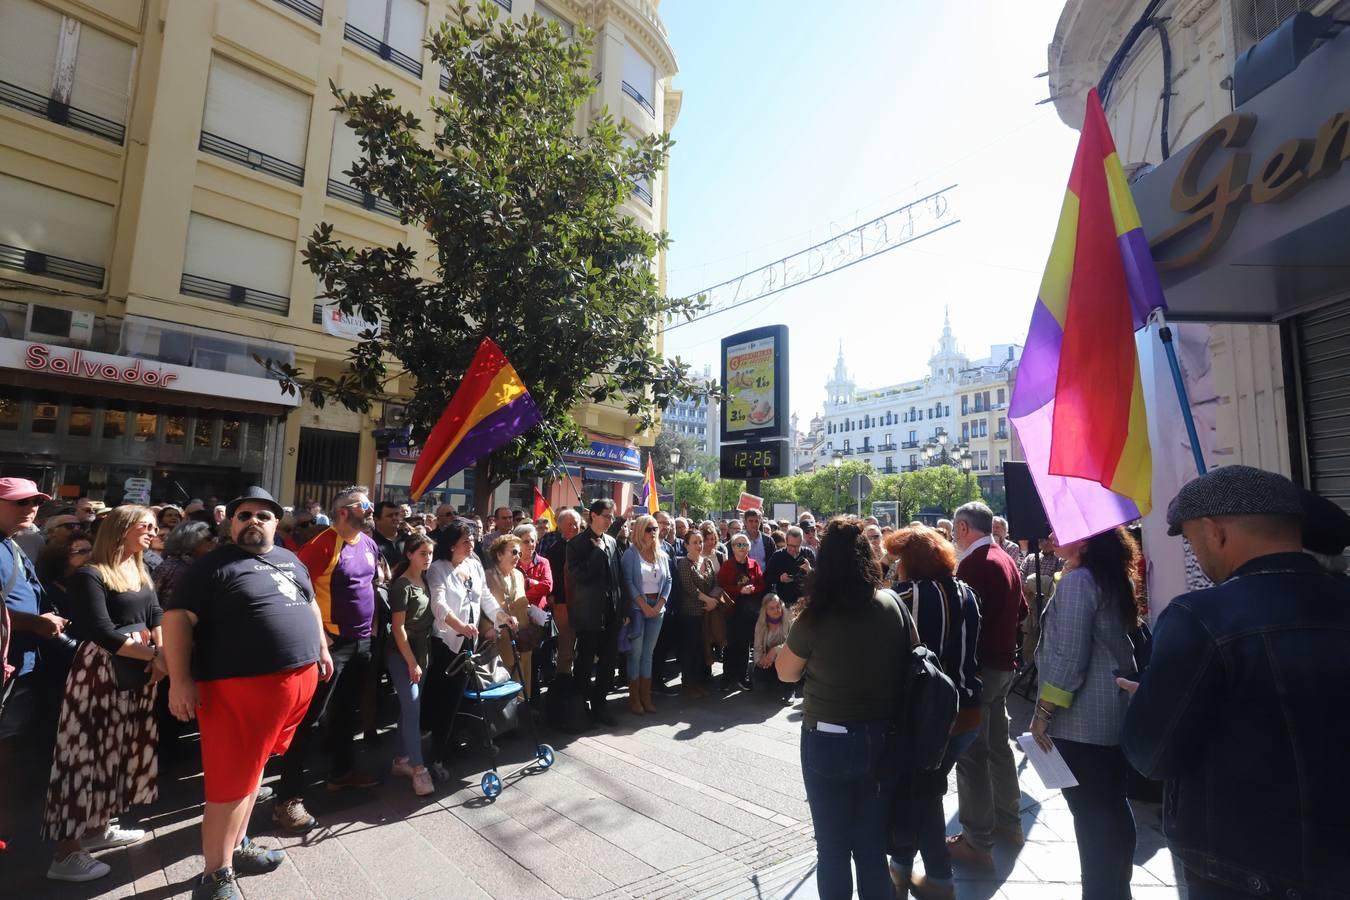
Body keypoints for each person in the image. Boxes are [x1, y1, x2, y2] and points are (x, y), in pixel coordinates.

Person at [1119, 466, 1350, 896]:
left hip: (1238, 870)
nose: (1194, 553)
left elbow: (1151, 755)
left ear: (1214, 532)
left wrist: (1147, 699)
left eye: (1189, 540)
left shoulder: (1199, 618)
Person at [163, 487, 332, 900]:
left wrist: (322, 647)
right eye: (244, 515)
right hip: (235, 687)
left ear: (277, 522)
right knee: (229, 784)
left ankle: (238, 848)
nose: (253, 520)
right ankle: (214, 875)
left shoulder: (290, 558)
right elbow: (176, 620)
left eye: (263, 515)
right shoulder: (211, 567)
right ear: (231, 523)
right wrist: (180, 680)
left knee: (254, 773)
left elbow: (309, 603)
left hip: (294, 684)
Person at [774, 517, 913, 900]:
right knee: (871, 847)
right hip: (883, 737)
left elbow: (786, 674)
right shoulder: (892, 604)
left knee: (833, 847)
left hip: (828, 738)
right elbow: (914, 656)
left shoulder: (816, 614)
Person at [44, 505, 166, 883]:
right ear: (122, 529)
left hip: (140, 669)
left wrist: (161, 656)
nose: (152, 532)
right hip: (101, 671)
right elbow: (102, 631)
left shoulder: (140, 568)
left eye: (154, 526)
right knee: (84, 755)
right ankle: (65, 854)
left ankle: (97, 830)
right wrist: (158, 658)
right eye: (145, 526)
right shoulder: (90, 575)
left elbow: (156, 614)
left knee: (120, 750)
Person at [1025, 526, 1139, 900]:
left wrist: (1043, 710)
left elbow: (1069, 657)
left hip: (1082, 721)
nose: (1050, 535)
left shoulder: (1080, 582)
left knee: (1094, 818)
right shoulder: (1110, 577)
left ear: (1087, 539)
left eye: (1061, 529)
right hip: (1110, 714)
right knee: (1110, 810)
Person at [884, 525, 983, 900]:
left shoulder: (904, 596)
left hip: (925, 720)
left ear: (910, 562)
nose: (896, 568)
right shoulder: (968, 594)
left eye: (898, 560)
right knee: (923, 791)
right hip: (967, 715)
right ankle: (903, 870)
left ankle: (938, 879)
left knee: (920, 794)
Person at [274, 486, 380, 832]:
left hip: (362, 642)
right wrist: (320, 635)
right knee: (309, 718)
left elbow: (369, 585)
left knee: (348, 711)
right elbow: (294, 590)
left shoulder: (367, 542)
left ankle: (342, 772)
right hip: (331, 646)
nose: (371, 508)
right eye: (366, 504)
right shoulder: (320, 545)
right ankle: (287, 797)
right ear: (345, 511)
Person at [948, 501, 1026, 870]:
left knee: (972, 755)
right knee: (998, 747)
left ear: (964, 527)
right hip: (1003, 665)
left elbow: (965, 624)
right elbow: (1023, 611)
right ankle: (1009, 825)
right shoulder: (1004, 557)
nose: (951, 535)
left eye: (953, 528)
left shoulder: (976, 564)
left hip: (982, 670)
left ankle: (977, 841)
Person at [426, 519, 511, 770]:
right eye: (465, 541)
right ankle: (437, 755)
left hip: (470, 642)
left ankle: (456, 742)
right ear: (452, 545)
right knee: (445, 701)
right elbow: (438, 604)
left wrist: (501, 616)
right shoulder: (438, 569)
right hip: (447, 643)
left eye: (472, 540)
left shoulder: (474, 564)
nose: (471, 544)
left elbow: (485, 597)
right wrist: (458, 626)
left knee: (463, 699)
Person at [385, 533, 436, 797]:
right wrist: (411, 662)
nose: (428, 558)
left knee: (408, 709)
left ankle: (401, 760)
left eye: (430, 553)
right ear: (409, 554)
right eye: (423, 554)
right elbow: (398, 628)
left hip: (422, 653)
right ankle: (418, 769)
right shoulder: (402, 585)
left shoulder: (425, 579)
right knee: (413, 710)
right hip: (404, 655)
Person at [566, 499, 624, 726]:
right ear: (593, 516)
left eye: (612, 516)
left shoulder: (611, 541)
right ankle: (580, 707)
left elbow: (618, 578)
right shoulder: (576, 544)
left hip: (611, 612)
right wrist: (596, 553)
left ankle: (600, 705)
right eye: (607, 516)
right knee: (585, 661)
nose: (610, 521)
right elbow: (580, 576)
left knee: (608, 662)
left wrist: (623, 608)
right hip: (589, 614)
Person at [619, 515, 670, 715]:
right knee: (636, 654)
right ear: (640, 530)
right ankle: (634, 699)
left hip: (658, 609)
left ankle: (646, 697)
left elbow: (668, 581)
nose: (653, 532)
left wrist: (660, 604)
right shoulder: (631, 554)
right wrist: (643, 605)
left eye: (655, 528)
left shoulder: (662, 553)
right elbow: (628, 582)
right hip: (637, 609)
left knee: (648, 654)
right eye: (649, 529)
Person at [675, 527, 721, 698]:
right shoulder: (684, 564)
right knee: (690, 649)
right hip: (690, 613)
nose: (699, 545)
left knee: (702, 648)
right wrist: (707, 600)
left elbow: (716, 583)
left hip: (707, 613)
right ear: (686, 545)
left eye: (700, 542)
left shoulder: (707, 561)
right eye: (694, 542)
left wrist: (714, 600)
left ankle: (699, 681)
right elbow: (689, 588)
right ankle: (688, 684)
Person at [717, 533, 766, 692]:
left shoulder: (754, 563)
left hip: (748, 611)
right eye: (738, 545)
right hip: (732, 610)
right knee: (730, 645)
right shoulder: (727, 565)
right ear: (732, 547)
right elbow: (722, 586)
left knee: (744, 645)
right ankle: (727, 676)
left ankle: (742, 676)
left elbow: (761, 583)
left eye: (745, 545)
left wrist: (752, 589)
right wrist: (739, 590)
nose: (742, 548)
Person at [485, 534, 531, 697]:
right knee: (501, 683)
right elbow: (482, 607)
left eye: (519, 553)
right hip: (498, 639)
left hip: (521, 639)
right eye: (513, 552)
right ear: (499, 554)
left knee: (522, 682)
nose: (517, 556)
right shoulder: (486, 576)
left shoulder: (519, 575)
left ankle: (520, 715)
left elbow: (521, 602)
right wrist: (487, 629)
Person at [543, 509, 581, 675]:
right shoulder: (555, 549)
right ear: (560, 527)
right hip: (563, 603)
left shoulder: (587, 546)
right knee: (566, 646)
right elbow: (553, 579)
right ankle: (563, 681)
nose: (573, 527)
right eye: (569, 524)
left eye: (576, 524)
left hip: (584, 603)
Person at [151, 521, 217, 609]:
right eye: (208, 539)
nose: (214, 542)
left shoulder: (201, 566)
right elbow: (153, 601)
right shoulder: (173, 568)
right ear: (191, 541)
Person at [36, 530, 93, 614]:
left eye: (92, 550)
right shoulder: (47, 594)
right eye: (82, 552)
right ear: (62, 555)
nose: (91, 555)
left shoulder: (93, 585)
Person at [751, 593, 792, 701]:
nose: (776, 610)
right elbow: (757, 647)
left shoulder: (789, 618)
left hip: (787, 656)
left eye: (778, 606)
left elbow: (794, 643)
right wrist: (760, 661)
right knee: (760, 685)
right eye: (772, 608)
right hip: (769, 658)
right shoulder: (760, 623)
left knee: (787, 665)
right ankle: (776, 680)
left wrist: (776, 650)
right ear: (766, 610)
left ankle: (789, 690)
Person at [764, 525, 815, 611]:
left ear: (801, 542)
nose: (793, 549)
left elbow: (819, 577)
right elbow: (766, 577)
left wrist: (810, 570)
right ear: (786, 541)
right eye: (790, 545)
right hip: (784, 603)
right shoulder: (778, 556)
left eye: (796, 546)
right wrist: (780, 578)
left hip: (805, 602)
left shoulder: (808, 553)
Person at [372, 501, 406, 569]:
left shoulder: (408, 540)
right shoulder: (370, 542)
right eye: (390, 515)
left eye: (396, 514)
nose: (395, 518)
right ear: (376, 519)